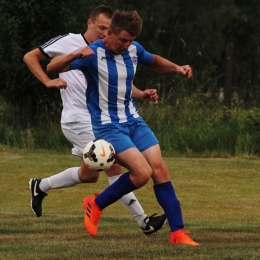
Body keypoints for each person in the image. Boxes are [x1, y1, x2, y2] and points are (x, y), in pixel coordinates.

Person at [47, 9, 199, 246]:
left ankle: (177, 233)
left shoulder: (133, 50)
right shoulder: (92, 53)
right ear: (110, 32)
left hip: (134, 121)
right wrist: (75, 53)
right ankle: (94, 204)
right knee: (142, 174)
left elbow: (153, 60)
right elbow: (52, 67)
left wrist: (177, 68)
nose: (127, 45)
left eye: (131, 40)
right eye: (123, 40)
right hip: (108, 126)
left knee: (159, 169)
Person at [23, 5, 166, 237]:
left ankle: (40, 186)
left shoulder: (107, 50)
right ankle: (144, 222)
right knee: (114, 164)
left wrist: (140, 95)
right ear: (89, 23)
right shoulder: (69, 42)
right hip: (78, 120)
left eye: (108, 29)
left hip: (102, 119)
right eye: (101, 27)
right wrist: (47, 82)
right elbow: (31, 57)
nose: (104, 32)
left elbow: (116, 84)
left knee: (89, 175)